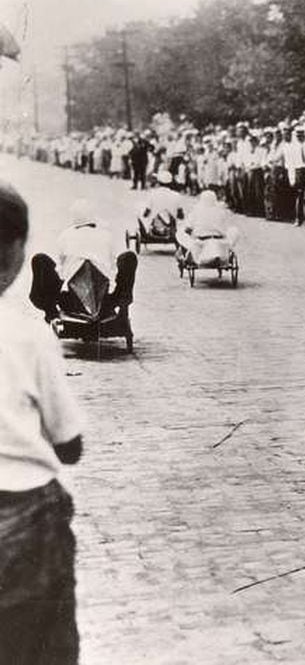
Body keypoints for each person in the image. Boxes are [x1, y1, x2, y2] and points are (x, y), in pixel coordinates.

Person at [1, 180, 84, 664]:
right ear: (14, 254)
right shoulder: (27, 336)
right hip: (24, 516)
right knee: (42, 643)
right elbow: (69, 443)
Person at [29, 199, 136, 323]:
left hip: (72, 300)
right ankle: (123, 308)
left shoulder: (65, 235)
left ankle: (51, 312)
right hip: (105, 300)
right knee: (128, 257)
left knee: (40, 259)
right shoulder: (107, 235)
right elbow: (113, 266)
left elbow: (60, 269)